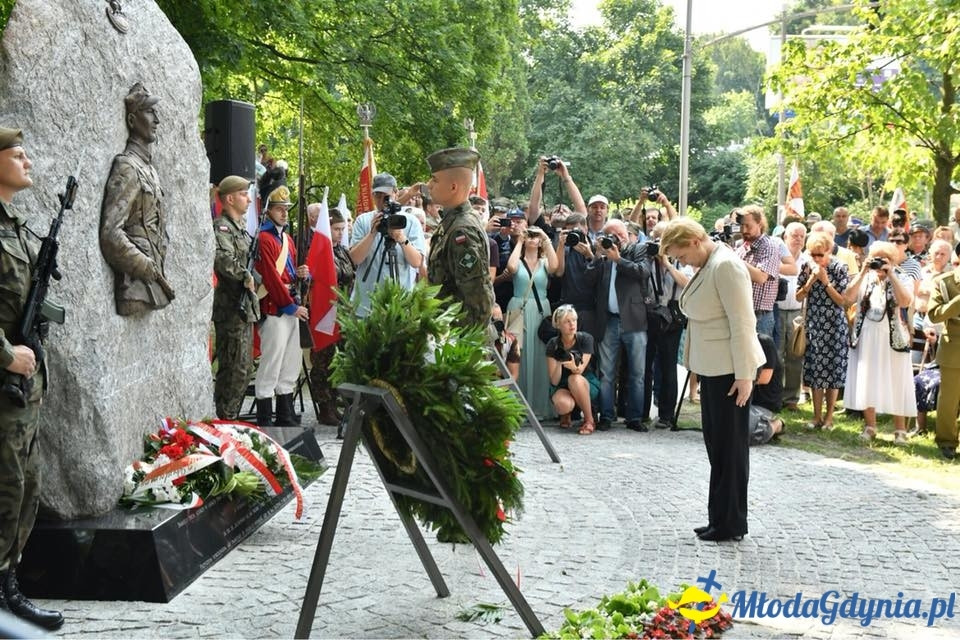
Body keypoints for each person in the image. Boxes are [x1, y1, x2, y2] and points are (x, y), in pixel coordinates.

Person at [660, 217, 764, 543]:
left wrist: (746, 375)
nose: (682, 263)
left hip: (730, 372)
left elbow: (743, 323)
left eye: (681, 256)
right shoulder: (710, 263)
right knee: (717, 448)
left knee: (730, 450)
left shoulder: (726, 266)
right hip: (714, 369)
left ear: (693, 241)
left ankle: (731, 522)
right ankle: (718, 517)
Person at [0, 126, 64, 630]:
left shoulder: (19, 227)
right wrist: (6, 355)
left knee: (26, 486)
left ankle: (9, 584)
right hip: (4, 383)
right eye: (16, 154)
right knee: (4, 487)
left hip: (25, 390)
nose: (26, 160)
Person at [99, 82, 174, 315]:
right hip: (135, 284)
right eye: (149, 112)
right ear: (132, 121)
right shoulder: (127, 166)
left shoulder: (150, 170)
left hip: (153, 283)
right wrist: (143, 266)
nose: (157, 120)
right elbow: (111, 233)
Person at [843, 241, 917, 443]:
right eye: (877, 258)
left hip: (893, 336)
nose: (880, 263)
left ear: (893, 261)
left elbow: (905, 301)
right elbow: (847, 298)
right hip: (867, 334)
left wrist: (890, 274)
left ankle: (900, 430)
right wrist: (863, 271)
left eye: (884, 259)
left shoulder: (902, 277)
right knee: (867, 379)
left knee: (896, 379)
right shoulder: (865, 277)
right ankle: (870, 426)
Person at [254, 186, 310, 427]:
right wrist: (290, 306)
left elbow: (288, 274)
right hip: (275, 307)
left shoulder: (286, 239)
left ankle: (285, 413)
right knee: (272, 361)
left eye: (286, 209)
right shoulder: (264, 239)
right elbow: (271, 278)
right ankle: (265, 417)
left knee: (291, 361)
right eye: (279, 209)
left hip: (290, 305)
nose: (284, 213)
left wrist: (303, 274)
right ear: (269, 212)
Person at [589, 219, 652, 432]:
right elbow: (588, 278)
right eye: (609, 234)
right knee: (606, 373)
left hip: (634, 319)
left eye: (617, 234)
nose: (614, 238)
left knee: (637, 373)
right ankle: (606, 415)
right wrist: (598, 255)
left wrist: (618, 259)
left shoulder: (638, 249)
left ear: (625, 234)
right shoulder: (603, 255)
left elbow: (643, 272)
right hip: (609, 320)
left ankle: (634, 418)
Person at [425, 148, 495, 327]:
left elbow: (479, 300)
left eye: (434, 179)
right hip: (448, 330)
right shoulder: (451, 222)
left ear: (453, 186)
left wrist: (466, 346)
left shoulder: (462, 231)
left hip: (460, 339)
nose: (429, 185)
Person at [212, 176, 258, 420]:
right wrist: (245, 274)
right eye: (243, 194)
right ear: (229, 198)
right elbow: (223, 260)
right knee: (233, 370)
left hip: (243, 309)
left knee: (244, 369)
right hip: (230, 309)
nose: (249, 199)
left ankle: (229, 420)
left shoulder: (240, 229)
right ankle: (223, 422)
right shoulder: (222, 227)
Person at [349, 172, 425, 318]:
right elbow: (355, 259)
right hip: (366, 304)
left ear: (396, 193)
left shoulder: (410, 222)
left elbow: (417, 262)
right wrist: (372, 233)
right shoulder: (363, 221)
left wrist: (401, 237)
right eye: (377, 195)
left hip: (400, 305)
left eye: (386, 195)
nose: (382, 200)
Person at [796, 232, 849, 430]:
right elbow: (799, 296)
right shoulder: (806, 267)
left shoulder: (839, 267)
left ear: (828, 251)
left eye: (820, 255)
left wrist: (825, 281)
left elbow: (842, 301)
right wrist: (810, 280)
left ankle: (829, 418)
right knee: (815, 370)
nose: (817, 259)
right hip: (815, 323)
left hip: (834, 324)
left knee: (833, 372)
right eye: (813, 255)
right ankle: (816, 416)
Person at [504, 225, 558, 417]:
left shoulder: (544, 262)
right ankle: (517, 406)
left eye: (536, 237)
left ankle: (539, 406)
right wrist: (520, 240)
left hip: (541, 310)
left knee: (541, 356)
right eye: (530, 235)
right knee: (517, 355)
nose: (532, 238)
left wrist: (545, 237)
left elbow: (555, 267)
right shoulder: (518, 260)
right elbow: (511, 268)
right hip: (519, 310)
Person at [309, 208, 355, 427]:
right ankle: (324, 406)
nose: (339, 233)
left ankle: (335, 401)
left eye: (342, 229)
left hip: (343, 312)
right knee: (323, 360)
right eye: (336, 229)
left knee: (339, 360)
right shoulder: (321, 251)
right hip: (325, 312)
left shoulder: (342, 251)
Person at [641, 220, 689, 430]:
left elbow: (685, 283)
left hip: (671, 317)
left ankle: (667, 414)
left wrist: (667, 263)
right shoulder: (646, 260)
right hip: (651, 315)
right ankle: (642, 412)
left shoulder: (681, 261)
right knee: (646, 365)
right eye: (655, 239)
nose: (659, 244)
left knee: (668, 366)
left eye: (663, 240)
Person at [545, 305, 600, 434]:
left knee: (574, 378)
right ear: (558, 325)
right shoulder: (553, 344)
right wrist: (559, 362)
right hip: (562, 385)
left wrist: (572, 366)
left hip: (584, 382)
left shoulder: (585, 339)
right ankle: (566, 413)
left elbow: (580, 370)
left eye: (574, 320)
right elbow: (554, 381)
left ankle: (589, 420)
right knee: (563, 404)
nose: (572, 324)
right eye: (567, 321)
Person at [734, 205, 781, 336]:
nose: (744, 230)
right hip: (741, 313)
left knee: (759, 356)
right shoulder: (742, 247)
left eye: (748, 226)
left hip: (760, 316)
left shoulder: (769, 246)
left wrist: (733, 258)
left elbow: (761, 277)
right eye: (742, 226)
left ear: (759, 223)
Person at [928, 266, 960, 459]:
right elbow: (934, 314)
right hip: (954, 347)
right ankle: (947, 442)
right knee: (949, 400)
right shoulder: (944, 282)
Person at [749, 334, 786, 446]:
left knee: (747, 435)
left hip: (763, 403)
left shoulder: (764, 342)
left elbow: (764, 378)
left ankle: (777, 425)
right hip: (743, 400)